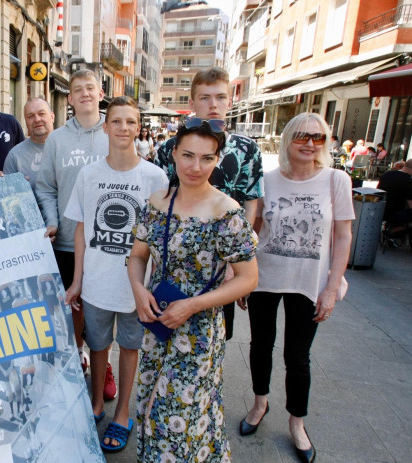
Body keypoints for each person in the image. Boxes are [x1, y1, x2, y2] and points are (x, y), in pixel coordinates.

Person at [128, 118, 258, 462]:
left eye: (206, 158)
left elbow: (248, 279)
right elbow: (137, 257)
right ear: (173, 154)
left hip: (199, 332)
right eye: (188, 155)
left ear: (217, 160)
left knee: (178, 417)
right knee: (148, 403)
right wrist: (139, 291)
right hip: (157, 320)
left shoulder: (227, 212)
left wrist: (192, 306)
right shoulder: (157, 202)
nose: (195, 167)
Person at [240, 113, 353, 463]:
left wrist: (332, 288)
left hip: (309, 282)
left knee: (297, 356)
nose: (309, 143)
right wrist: (242, 277)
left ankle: (297, 423)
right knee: (261, 345)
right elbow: (253, 226)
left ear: (326, 142)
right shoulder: (267, 180)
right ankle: (260, 404)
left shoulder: (337, 180)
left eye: (318, 138)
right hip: (266, 276)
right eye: (302, 136)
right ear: (288, 138)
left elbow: (344, 235)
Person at [64, 96, 169, 452]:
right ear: (105, 127)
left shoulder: (155, 176)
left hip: (134, 288)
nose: (124, 128)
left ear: (138, 129)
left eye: (131, 122)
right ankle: (96, 404)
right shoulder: (89, 174)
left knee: (129, 347)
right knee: (97, 345)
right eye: (117, 121)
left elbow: (160, 237)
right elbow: (80, 230)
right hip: (96, 282)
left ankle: (122, 412)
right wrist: (77, 280)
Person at [154, 67, 263, 341]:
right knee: (165, 330)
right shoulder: (169, 148)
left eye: (220, 97)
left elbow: (250, 203)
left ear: (230, 101)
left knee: (213, 335)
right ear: (192, 103)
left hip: (224, 259)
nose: (213, 104)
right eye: (204, 97)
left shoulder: (246, 148)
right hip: (177, 257)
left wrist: (233, 262)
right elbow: (161, 201)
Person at [35, 68, 110, 389]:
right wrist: (52, 221)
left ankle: (103, 364)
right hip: (66, 240)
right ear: (69, 99)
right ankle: (78, 355)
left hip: (108, 243)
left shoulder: (114, 132)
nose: (85, 94)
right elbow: (46, 187)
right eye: (78, 90)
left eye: (90, 88)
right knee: (75, 305)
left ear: (100, 93)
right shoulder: (56, 140)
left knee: (105, 307)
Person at [3, 97, 55, 189]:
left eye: (41, 114)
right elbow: (8, 195)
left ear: (52, 117)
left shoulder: (68, 148)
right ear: (26, 122)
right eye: (30, 116)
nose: (37, 119)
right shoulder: (15, 156)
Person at [378, 158, 412, 242]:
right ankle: (390, 232)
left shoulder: (387, 174)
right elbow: (410, 204)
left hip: (380, 208)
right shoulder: (409, 180)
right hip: (395, 212)